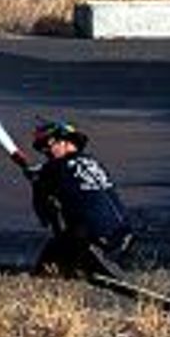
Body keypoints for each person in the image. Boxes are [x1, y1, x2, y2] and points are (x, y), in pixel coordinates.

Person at [13, 116, 134, 282]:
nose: (46, 152)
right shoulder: (93, 162)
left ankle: (53, 281)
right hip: (123, 235)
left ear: (65, 142)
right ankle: (81, 266)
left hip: (89, 238)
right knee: (66, 242)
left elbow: (44, 216)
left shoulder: (53, 168)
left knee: (46, 266)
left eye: (49, 145)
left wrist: (36, 183)